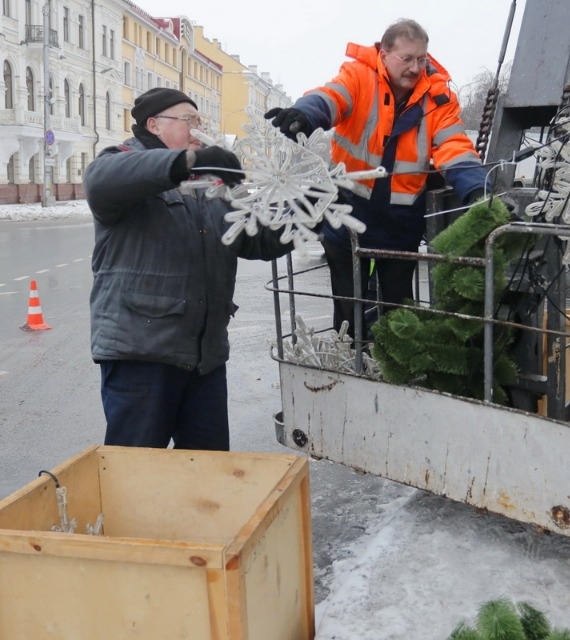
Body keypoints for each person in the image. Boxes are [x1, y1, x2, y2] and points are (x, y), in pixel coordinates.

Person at [84, 87, 294, 450]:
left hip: (204, 359)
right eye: (189, 120)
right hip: (142, 354)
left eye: (201, 121)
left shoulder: (209, 185)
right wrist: (189, 162)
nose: (198, 129)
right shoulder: (122, 161)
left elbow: (253, 239)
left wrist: (306, 217)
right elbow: (102, 179)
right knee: (134, 468)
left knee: (206, 469)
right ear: (154, 124)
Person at [264, 18, 488, 339]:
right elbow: (331, 97)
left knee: (399, 316)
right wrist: (305, 113)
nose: (415, 68)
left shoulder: (438, 97)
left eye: (421, 59)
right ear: (384, 54)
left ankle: (392, 361)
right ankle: (350, 355)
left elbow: (454, 146)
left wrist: (477, 189)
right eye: (406, 58)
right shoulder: (359, 77)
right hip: (347, 215)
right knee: (349, 313)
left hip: (400, 226)